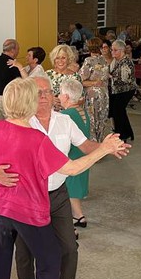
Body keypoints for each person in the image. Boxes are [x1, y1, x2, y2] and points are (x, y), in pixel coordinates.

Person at [0, 77, 127, 279]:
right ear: (28, 103)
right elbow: (71, 168)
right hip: (26, 211)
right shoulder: (36, 139)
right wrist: (104, 149)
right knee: (50, 261)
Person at [59, 79, 92, 232]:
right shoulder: (82, 110)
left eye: (60, 93)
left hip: (71, 158)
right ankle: (79, 216)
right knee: (74, 191)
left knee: (67, 191)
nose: (58, 96)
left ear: (65, 97)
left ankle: (70, 226)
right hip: (82, 157)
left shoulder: (66, 114)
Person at [78, 37, 110, 142]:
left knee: (91, 119)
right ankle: (100, 142)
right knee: (101, 119)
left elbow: (80, 79)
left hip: (92, 95)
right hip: (104, 94)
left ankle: (93, 144)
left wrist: (92, 83)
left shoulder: (88, 61)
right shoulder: (104, 60)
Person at [108, 40, 137, 141]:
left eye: (115, 50)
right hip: (118, 90)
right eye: (112, 49)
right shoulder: (116, 60)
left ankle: (121, 135)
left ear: (122, 50)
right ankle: (127, 132)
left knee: (117, 111)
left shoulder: (126, 62)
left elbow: (124, 80)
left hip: (126, 90)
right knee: (119, 111)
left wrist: (109, 77)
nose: (112, 52)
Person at [0, 39, 21, 119]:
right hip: (6, 97)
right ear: (13, 50)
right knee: (11, 121)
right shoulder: (13, 64)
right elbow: (19, 82)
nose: (18, 52)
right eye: (18, 49)